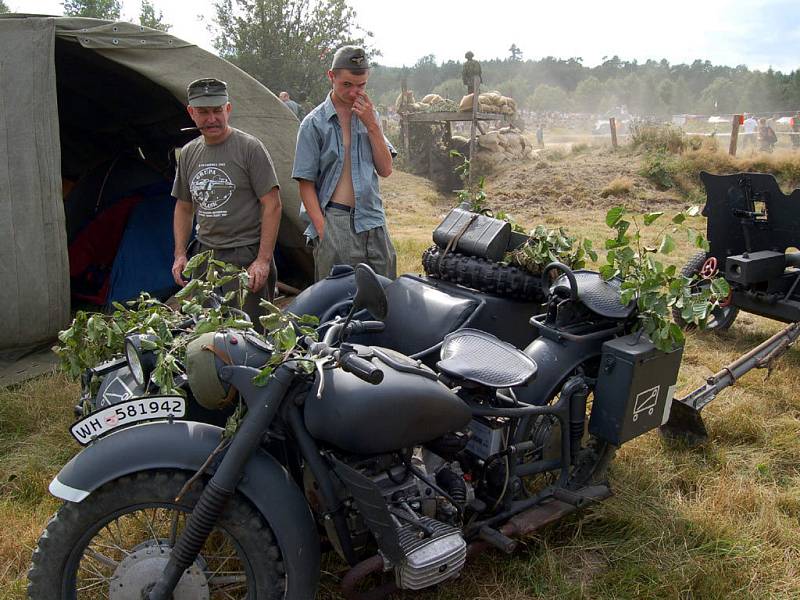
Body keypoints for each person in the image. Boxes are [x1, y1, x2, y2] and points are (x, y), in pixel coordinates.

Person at [172, 77, 282, 324]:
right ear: (191, 113)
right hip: (205, 257)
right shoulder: (189, 152)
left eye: (217, 111)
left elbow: (272, 205)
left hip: (245, 255)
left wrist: (263, 260)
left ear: (228, 109)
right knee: (205, 333)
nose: (211, 119)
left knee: (251, 337)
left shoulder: (250, 148)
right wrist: (180, 254)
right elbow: (183, 206)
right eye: (203, 112)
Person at [292, 46, 397, 281]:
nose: (354, 93)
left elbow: (386, 169)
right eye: (347, 85)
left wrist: (372, 125)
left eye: (361, 86)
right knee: (338, 302)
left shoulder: (370, 115)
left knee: (385, 295)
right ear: (332, 76)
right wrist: (323, 231)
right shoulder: (314, 124)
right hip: (335, 220)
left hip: (372, 217)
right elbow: (305, 185)